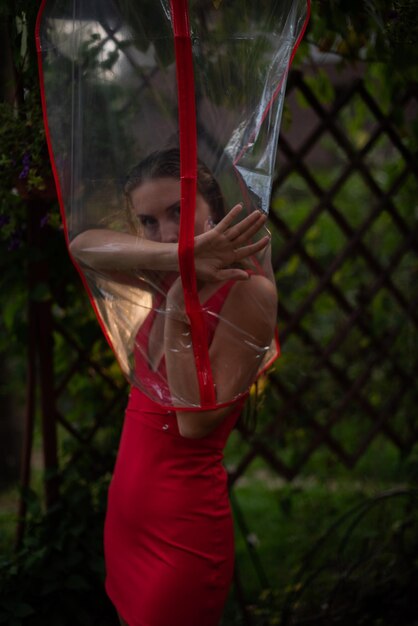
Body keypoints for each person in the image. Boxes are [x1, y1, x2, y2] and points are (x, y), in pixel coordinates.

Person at [70, 148, 278, 626]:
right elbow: (83, 245)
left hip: (182, 534)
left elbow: (195, 421)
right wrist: (181, 257)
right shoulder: (163, 274)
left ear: (213, 205)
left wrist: (182, 311)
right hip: (127, 524)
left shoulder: (249, 292)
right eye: (147, 222)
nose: (164, 232)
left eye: (179, 212)